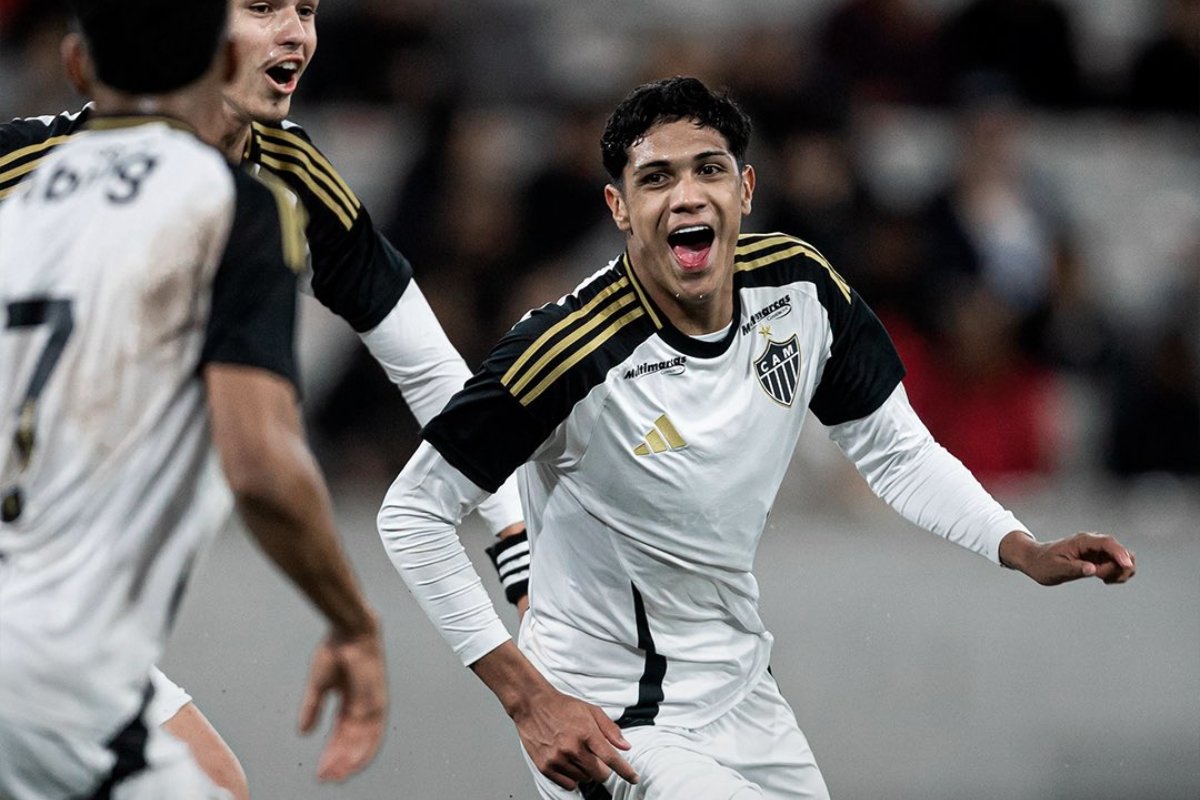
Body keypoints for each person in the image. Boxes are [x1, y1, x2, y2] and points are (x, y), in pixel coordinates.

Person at [377, 76, 1136, 799]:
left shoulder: (800, 291)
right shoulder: (567, 350)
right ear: (618, 206)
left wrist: (1020, 547)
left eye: (707, 168)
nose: (685, 195)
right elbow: (413, 513)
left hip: (746, 697)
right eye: (655, 179)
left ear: (743, 189)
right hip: (611, 714)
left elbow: (897, 452)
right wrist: (529, 700)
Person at [0, 0, 526, 795]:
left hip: (66, 617)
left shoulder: (288, 173)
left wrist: (515, 534)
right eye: (263, 7)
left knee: (217, 783)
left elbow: (428, 370)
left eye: (307, 10)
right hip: (40, 623)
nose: (295, 34)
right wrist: (352, 620)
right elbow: (262, 462)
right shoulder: (208, 204)